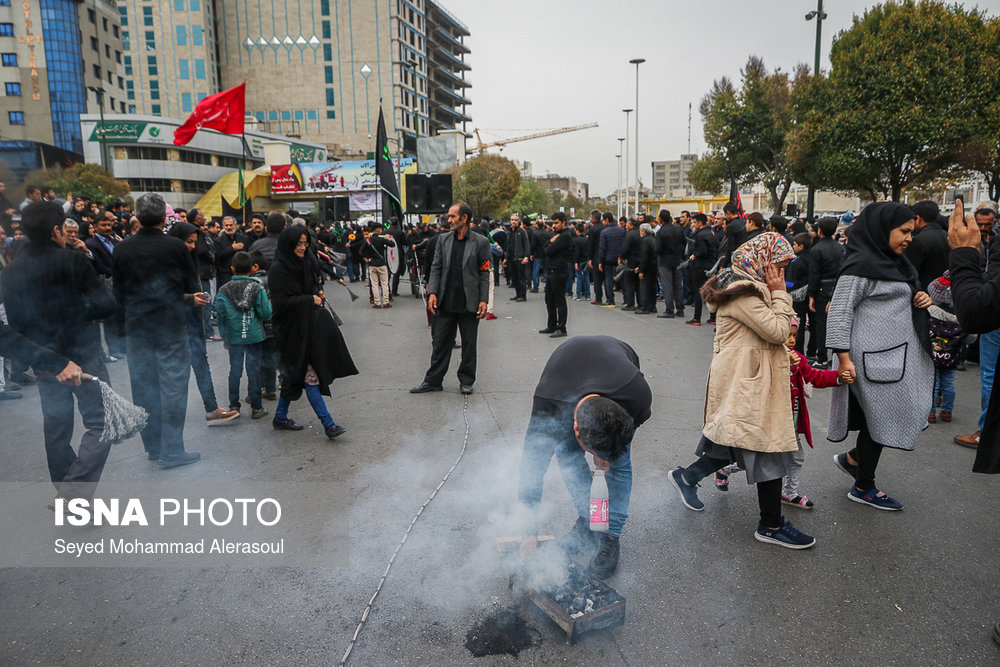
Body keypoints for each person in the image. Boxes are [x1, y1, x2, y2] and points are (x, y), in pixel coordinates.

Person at [669, 232, 816, 549]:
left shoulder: (745, 288)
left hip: (749, 377)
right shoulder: (743, 292)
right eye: (779, 265)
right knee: (767, 451)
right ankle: (771, 524)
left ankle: (687, 477)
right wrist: (780, 294)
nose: (782, 273)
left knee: (736, 443)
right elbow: (778, 330)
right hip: (749, 381)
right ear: (763, 261)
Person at [1, 200, 117, 499]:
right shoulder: (74, 261)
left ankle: (72, 496)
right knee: (102, 421)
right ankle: (75, 491)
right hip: (84, 355)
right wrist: (79, 313)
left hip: (44, 360)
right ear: (56, 230)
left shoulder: (11, 272)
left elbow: (14, 323)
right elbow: (106, 304)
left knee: (56, 429)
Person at [826, 202, 934, 510]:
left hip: (892, 359)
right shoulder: (859, 266)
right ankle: (864, 485)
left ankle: (854, 460)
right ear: (880, 229)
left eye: (912, 232)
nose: (909, 238)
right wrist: (843, 358)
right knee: (882, 418)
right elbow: (839, 314)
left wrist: (919, 295)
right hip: (866, 360)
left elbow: (899, 297)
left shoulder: (897, 263)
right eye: (903, 231)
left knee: (885, 416)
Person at [518, 335, 651, 578]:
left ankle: (610, 536)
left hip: (619, 360)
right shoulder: (548, 406)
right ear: (575, 428)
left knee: (619, 464)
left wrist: (607, 456)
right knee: (567, 454)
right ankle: (590, 520)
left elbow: (630, 429)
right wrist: (529, 534)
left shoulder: (637, 396)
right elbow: (531, 471)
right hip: (565, 378)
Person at [113, 193, 205, 468]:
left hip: (137, 329)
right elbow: (191, 285)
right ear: (164, 219)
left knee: (144, 388)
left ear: (137, 218)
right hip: (170, 328)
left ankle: (153, 447)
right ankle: (173, 450)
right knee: (174, 388)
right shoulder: (175, 247)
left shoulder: (122, 248)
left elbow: (118, 293)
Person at [268, 225, 357, 439]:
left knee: (295, 375)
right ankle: (328, 424)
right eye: (298, 243)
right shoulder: (279, 269)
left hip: (310, 326)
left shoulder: (308, 261)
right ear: (288, 244)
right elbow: (280, 303)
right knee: (310, 377)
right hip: (290, 331)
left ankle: (280, 416)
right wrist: (310, 299)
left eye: (304, 242)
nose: (302, 247)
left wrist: (317, 292)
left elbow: (313, 285)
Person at [411, 202, 490, 395]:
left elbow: (484, 272)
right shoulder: (443, 240)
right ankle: (433, 380)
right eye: (448, 216)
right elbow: (436, 267)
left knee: (469, 344)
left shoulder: (481, 242)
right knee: (440, 342)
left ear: (464, 219)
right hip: (446, 300)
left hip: (468, 301)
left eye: (453, 216)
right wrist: (432, 293)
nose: (449, 219)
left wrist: (483, 299)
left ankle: (466, 380)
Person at [168, 221, 240, 426]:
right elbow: (164, 294)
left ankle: (212, 409)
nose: (192, 246)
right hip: (175, 328)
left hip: (193, 322)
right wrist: (189, 298)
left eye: (194, 242)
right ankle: (170, 424)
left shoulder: (190, 258)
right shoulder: (168, 262)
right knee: (176, 376)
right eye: (188, 242)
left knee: (202, 365)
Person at [953, 201, 1000, 448]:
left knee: (990, 375)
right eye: (980, 224)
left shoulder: (992, 242)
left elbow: (974, 312)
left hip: (989, 309)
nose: (983, 228)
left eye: (987, 224)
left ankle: (985, 431)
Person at [215, 251, 273, 420]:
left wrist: (225, 336)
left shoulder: (223, 290)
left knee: (235, 370)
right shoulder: (257, 287)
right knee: (253, 370)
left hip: (234, 337)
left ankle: (234, 406)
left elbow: (221, 316)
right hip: (254, 336)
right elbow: (265, 312)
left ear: (232, 269)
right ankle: (257, 407)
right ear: (251, 270)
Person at [926, 272, 971, 425]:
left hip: (933, 356)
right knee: (949, 384)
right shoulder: (960, 317)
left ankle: (930, 413)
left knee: (934, 384)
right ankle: (947, 411)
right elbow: (971, 338)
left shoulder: (930, 312)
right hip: (952, 357)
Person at [807, 216, 844, 368]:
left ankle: (821, 357)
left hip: (822, 288)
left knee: (821, 324)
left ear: (819, 230)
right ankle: (835, 357)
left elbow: (814, 274)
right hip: (838, 287)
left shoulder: (816, 249)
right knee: (836, 324)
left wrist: (811, 295)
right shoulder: (841, 247)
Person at [539, 211, 572, 338]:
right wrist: (550, 242)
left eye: (556, 223)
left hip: (559, 271)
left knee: (559, 301)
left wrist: (550, 242)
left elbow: (548, 251)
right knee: (549, 300)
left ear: (563, 222)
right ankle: (551, 325)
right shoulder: (557, 235)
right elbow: (546, 249)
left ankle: (561, 328)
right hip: (552, 271)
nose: (554, 226)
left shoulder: (565, 236)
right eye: (553, 223)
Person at [905, 200, 949, 291]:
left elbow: (910, 272)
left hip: (925, 293)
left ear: (918, 219)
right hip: (945, 292)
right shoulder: (947, 236)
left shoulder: (918, 241)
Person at [685, 213, 718, 326]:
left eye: (694, 222)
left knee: (699, 291)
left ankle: (696, 318)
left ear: (699, 223)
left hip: (700, 266)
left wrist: (695, 255)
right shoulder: (710, 233)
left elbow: (702, 251)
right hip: (710, 265)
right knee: (710, 291)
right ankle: (713, 317)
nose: (692, 224)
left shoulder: (699, 235)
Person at [655, 209, 686, 319]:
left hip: (665, 261)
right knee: (678, 285)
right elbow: (684, 242)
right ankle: (680, 308)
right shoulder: (678, 229)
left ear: (660, 219)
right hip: (677, 259)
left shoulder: (660, 232)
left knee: (667, 286)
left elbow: (657, 248)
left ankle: (669, 310)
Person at [361, 222, 396, 309]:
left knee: (374, 284)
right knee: (384, 283)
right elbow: (392, 245)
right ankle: (385, 302)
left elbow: (361, 250)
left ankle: (377, 303)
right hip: (381, 264)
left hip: (372, 264)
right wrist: (388, 239)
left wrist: (367, 258)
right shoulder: (381, 239)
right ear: (377, 229)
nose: (381, 230)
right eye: (380, 228)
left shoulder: (368, 240)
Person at [597, 212, 625, 308]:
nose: (603, 222)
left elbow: (602, 248)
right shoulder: (622, 230)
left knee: (608, 279)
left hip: (607, 259)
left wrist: (600, 261)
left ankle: (610, 300)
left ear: (607, 220)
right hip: (619, 258)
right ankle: (626, 300)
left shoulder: (604, 232)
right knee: (622, 277)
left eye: (603, 220)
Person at [504, 214, 530, 302]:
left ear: (519, 221)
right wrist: (506, 258)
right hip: (512, 259)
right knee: (514, 278)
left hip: (520, 258)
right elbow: (508, 246)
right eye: (512, 220)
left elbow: (526, 245)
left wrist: (526, 257)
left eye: (515, 220)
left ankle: (522, 295)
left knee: (521, 278)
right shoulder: (510, 232)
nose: (514, 221)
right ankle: (518, 294)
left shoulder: (522, 232)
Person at [636, 222, 659, 314]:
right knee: (652, 287)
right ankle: (652, 306)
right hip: (654, 266)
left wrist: (641, 269)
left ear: (643, 231)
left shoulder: (645, 241)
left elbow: (644, 256)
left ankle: (644, 307)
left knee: (644, 287)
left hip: (647, 267)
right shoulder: (654, 238)